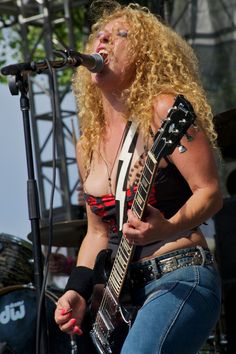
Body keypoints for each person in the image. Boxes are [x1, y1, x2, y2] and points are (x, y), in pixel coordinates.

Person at [54, 2, 223, 353]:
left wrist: (168, 227)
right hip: (122, 297)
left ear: (146, 54)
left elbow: (209, 192)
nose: (103, 40)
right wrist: (77, 290)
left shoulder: (163, 110)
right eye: (100, 35)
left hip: (179, 276)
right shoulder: (87, 144)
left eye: (120, 35)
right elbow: (97, 232)